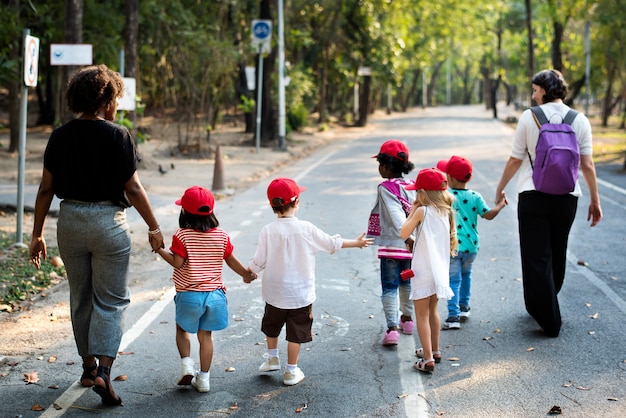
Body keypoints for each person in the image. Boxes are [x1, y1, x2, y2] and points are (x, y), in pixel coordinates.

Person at [29, 64, 164, 406]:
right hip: (108, 223)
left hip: (70, 220)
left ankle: (88, 368)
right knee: (112, 299)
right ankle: (104, 372)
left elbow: (46, 190)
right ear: (106, 100)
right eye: (115, 98)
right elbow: (132, 187)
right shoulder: (118, 135)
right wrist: (154, 226)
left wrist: (37, 235)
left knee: (81, 297)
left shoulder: (59, 136)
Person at [494, 69, 602, 337]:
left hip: (532, 195)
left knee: (535, 257)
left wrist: (500, 188)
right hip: (567, 197)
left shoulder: (528, 118)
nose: (533, 95)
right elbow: (586, 165)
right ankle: (542, 304)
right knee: (556, 252)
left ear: (545, 89)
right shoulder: (580, 120)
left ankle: (550, 319)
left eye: (535, 89)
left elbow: (515, 159)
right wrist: (594, 201)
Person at [247, 177, 373, 386]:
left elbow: (258, 261)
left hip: (274, 293)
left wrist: (248, 273)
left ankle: (272, 358)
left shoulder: (268, 230)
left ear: (272, 205)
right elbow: (331, 243)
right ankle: (291, 371)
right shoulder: (306, 228)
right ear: (296, 202)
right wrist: (357, 243)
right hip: (300, 294)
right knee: (296, 332)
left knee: (272, 325)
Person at [156, 186, 256, 393]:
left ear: (184, 212)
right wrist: (246, 274)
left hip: (189, 295)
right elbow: (231, 261)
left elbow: (177, 263)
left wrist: (159, 250)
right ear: (211, 211)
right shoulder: (221, 235)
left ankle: (186, 365)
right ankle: (204, 379)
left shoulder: (182, 236)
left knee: (182, 330)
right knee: (206, 336)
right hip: (215, 297)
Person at [436, 156, 508, 330]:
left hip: (452, 246)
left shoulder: (445, 196)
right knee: (466, 275)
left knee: (453, 279)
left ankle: (453, 317)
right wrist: (500, 205)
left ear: (450, 178)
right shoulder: (475, 196)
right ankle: (464, 307)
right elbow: (488, 215)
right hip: (471, 247)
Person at [400, 168, 456, 373]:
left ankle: (427, 358)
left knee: (421, 315)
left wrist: (413, 209)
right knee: (433, 311)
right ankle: (435, 349)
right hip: (439, 270)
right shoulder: (446, 211)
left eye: (417, 193)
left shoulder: (422, 211)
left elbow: (403, 232)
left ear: (423, 193)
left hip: (423, 271)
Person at [367, 140, 417, 345]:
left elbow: (396, 214)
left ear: (386, 166)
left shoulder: (385, 188)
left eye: (380, 164)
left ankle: (392, 329)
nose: (379, 168)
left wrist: (405, 235)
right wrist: (412, 238)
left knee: (389, 287)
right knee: (407, 283)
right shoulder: (412, 185)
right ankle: (407, 320)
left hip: (392, 247)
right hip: (411, 248)